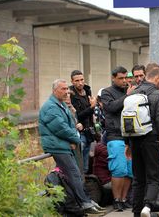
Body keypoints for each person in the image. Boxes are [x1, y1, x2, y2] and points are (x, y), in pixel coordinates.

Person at [39, 79, 105, 215]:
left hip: (64, 145)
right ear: (55, 90)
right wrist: (76, 139)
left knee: (74, 175)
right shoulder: (51, 107)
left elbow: (72, 124)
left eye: (67, 89)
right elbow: (61, 128)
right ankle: (85, 203)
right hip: (58, 147)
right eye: (63, 89)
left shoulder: (60, 104)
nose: (67, 92)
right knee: (74, 174)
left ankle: (82, 202)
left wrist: (74, 136)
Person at [125, 67, 159, 217]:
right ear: (158, 79)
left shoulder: (133, 92)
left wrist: (127, 143)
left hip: (134, 139)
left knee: (138, 179)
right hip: (151, 139)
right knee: (154, 178)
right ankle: (148, 206)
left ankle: (136, 212)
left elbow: (127, 118)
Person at [100, 66, 135, 211]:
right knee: (118, 169)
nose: (124, 81)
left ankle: (124, 198)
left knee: (129, 171)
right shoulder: (106, 92)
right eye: (120, 78)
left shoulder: (130, 90)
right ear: (113, 78)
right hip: (115, 135)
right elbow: (112, 108)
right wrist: (127, 96)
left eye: (125, 78)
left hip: (130, 135)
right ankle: (116, 199)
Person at [69, 70, 97, 174]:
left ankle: (83, 185)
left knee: (85, 166)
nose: (80, 83)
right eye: (77, 81)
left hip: (89, 131)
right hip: (79, 133)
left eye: (82, 80)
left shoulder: (87, 90)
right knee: (78, 165)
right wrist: (92, 107)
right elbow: (78, 116)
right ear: (72, 82)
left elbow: (90, 113)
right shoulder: (71, 95)